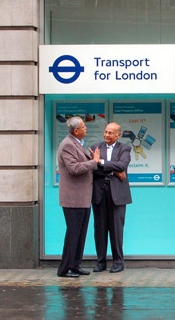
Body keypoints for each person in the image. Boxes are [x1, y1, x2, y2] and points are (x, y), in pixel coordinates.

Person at [57, 116, 100, 278]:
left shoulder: (76, 143)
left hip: (82, 198)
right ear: (76, 130)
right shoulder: (68, 144)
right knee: (73, 233)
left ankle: (75, 265)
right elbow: (74, 168)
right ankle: (64, 268)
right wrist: (94, 161)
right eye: (83, 126)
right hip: (73, 198)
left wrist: (90, 159)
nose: (86, 128)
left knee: (80, 233)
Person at [91, 122, 132, 273]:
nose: (106, 135)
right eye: (106, 132)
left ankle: (118, 262)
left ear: (118, 135)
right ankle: (100, 262)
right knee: (100, 229)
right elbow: (93, 169)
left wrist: (101, 162)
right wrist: (114, 171)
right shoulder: (96, 147)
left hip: (117, 195)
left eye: (110, 133)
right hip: (99, 193)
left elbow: (122, 166)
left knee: (116, 229)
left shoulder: (125, 148)